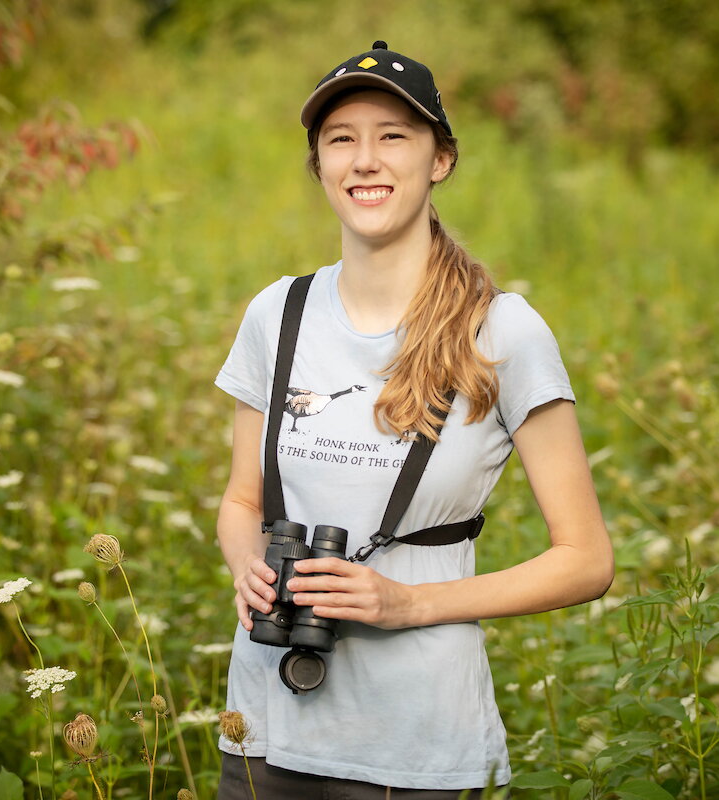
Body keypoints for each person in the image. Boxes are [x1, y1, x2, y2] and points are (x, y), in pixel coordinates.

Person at [214, 41, 614, 799]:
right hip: (263, 726)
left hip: (413, 746)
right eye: (342, 139)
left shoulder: (505, 333)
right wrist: (249, 567)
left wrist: (408, 604)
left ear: (441, 161)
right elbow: (242, 504)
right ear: (320, 166)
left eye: (393, 135)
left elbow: (587, 560)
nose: (366, 159)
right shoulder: (280, 314)